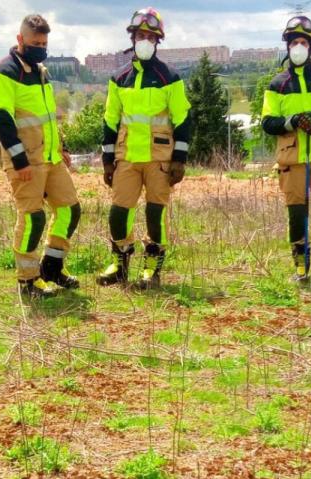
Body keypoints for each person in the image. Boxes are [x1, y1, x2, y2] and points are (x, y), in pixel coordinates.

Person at [0, 14, 81, 298]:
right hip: (26, 160)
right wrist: (19, 161)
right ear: (20, 39)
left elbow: (48, 117)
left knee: (69, 209)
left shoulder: (41, 72)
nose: (40, 48)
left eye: (44, 44)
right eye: (35, 43)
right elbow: (0, 118)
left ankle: (51, 268)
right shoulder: (3, 72)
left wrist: (63, 147)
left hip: (51, 158)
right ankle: (28, 281)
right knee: (33, 218)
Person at [98, 7, 192, 289]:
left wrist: (180, 159)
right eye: (141, 36)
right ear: (132, 38)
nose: (145, 41)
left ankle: (152, 269)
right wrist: (107, 159)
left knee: (155, 215)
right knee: (118, 213)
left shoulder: (170, 77)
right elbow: (110, 120)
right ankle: (120, 264)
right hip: (126, 157)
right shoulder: (118, 78)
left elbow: (183, 119)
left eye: (151, 37)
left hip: (159, 159)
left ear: (158, 41)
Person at [261, 16, 311, 282]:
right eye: (294, 42)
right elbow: (268, 122)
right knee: (296, 213)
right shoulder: (277, 84)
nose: (298, 47)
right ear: (287, 46)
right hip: (292, 159)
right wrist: (293, 121)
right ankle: (300, 264)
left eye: (303, 42)